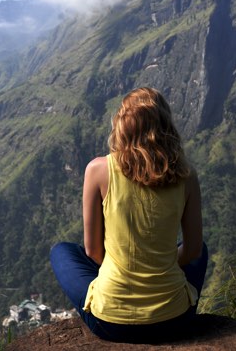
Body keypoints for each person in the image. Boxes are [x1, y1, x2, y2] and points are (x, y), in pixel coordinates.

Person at [50, 87, 208, 343]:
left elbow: (93, 253)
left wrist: (127, 272)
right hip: (175, 320)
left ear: (122, 126)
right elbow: (192, 251)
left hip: (111, 323)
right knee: (203, 248)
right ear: (166, 127)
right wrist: (156, 268)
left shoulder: (98, 170)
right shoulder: (186, 176)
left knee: (61, 251)